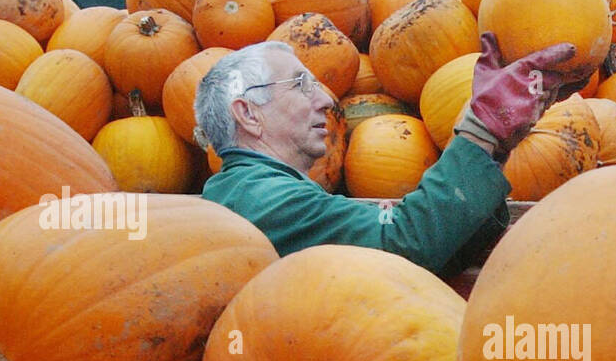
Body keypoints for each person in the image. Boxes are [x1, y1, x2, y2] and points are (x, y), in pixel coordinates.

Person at [194, 34, 578, 274]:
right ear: (248, 114)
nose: (327, 99)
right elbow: (405, 243)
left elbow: (430, 256)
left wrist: (496, 145)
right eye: (300, 84)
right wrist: (483, 125)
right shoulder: (263, 201)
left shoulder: (253, 189)